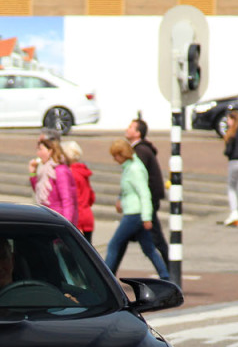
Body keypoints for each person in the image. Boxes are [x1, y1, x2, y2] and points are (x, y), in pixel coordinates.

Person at [104, 139, 170, 279]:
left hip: (135, 214)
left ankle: (104, 278)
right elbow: (129, 191)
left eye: (116, 155)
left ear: (122, 154)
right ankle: (165, 277)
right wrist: (120, 199)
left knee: (114, 244)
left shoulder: (135, 169)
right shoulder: (130, 167)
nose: (114, 159)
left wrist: (147, 217)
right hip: (135, 212)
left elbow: (144, 193)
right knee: (149, 248)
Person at [125, 118, 170, 263]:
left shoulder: (140, 151)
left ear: (138, 133)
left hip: (148, 200)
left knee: (155, 238)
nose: (127, 129)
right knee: (144, 240)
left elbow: (139, 179)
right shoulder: (142, 149)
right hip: (149, 200)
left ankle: (169, 269)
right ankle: (166, 269)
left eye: (131, 127)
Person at [28, 136, 76, 225]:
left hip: (58, 219)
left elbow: (67, 200)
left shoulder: (60, 170)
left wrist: (66, 224)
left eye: (41, 149)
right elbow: (40, 192)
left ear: (50, 151)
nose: (38, 153)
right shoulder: (43, 169)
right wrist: (33, 174)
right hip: (46, 217)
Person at [62, 140, 95, 242]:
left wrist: (78, 224)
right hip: (88, 217)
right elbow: (91, 197)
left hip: (79, 219)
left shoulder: (71, 173)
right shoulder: (83, 171)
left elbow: (76, 200)